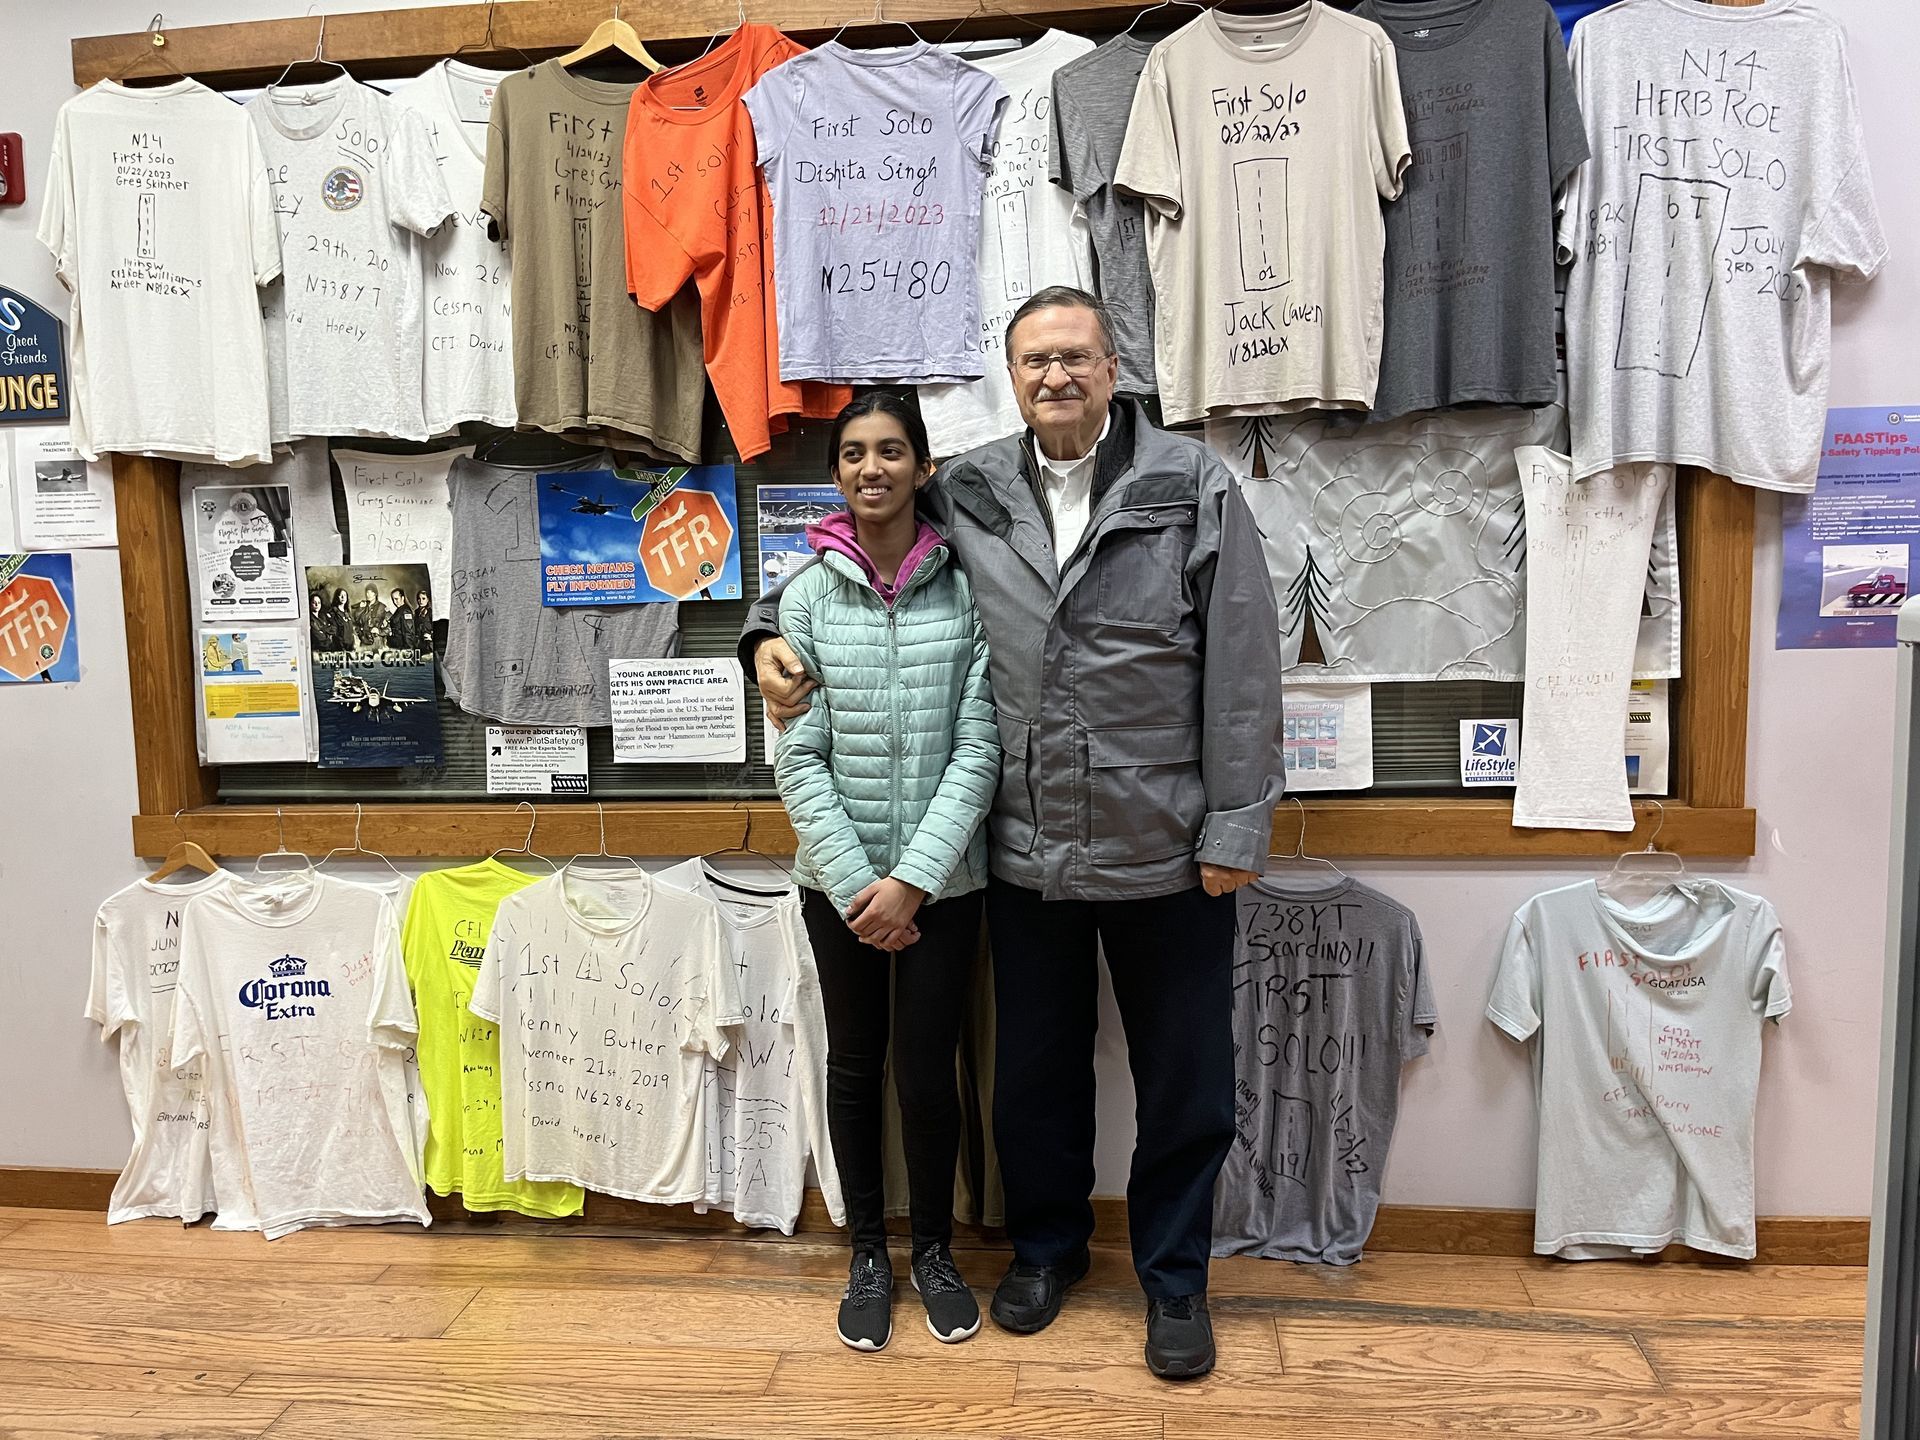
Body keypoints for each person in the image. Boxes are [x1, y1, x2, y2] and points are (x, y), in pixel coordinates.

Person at [744, 287, 1285, 1380]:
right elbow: (863, 552)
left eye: (1075, 358)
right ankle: (1046, 1253)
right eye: (1035, 361)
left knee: (1186, 1079)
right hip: (1029, 845)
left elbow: (1243, 664)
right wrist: (760, 631)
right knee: (1034, 1073)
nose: (1056, 377)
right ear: (1011, 375)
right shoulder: (977, 487)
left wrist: (1235, 821)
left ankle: (1175, 1280)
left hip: (1167, 843)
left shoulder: (1192, 485)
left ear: (1113, 365)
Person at [772, 391, 999, 1354]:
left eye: (893, 451)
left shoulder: (968, 585)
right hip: (838, 886)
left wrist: (915, 879)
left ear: (923, 467)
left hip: (946, 886)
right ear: (837, 475)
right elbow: (796, 755)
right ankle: (869, 1251)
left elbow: (979, 745)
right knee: (856, 1063)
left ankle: (935, 1251)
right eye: (856, 454)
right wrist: (858, 880)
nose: (874, 469)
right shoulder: (805, 599)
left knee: (931, 1068)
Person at [352, 584, 390, 652]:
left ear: (375, 593)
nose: (368, 595)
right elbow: (355, 622)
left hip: (377, 641)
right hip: (364, 642)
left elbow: (391, 625)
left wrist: (380, 631)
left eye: (371, 592)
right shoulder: (362, 606)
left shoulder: (382, 607)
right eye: (367, 592)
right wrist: (360, 609)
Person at [388, 587, 417, 652]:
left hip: (403, 647)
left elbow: (408, 632)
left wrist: (409, 650)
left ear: (403, 598)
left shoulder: (405, 611)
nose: (395, 602)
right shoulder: (399, 610)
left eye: (396, 599)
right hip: (397, 646)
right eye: (393, 599)